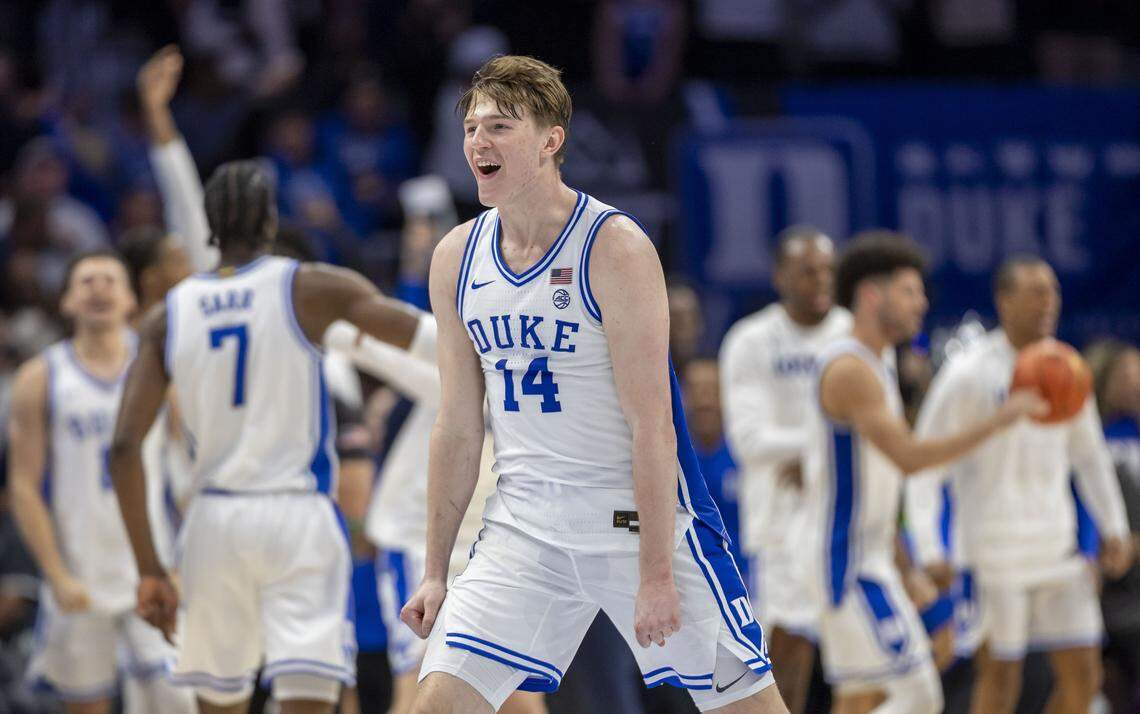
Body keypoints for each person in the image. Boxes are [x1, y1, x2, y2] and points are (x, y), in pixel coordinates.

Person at [398, 55, 786, 714]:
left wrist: (656, 573)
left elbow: (651, 424)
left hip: (634, 524)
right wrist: (436, 571)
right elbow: (458, 426)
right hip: (525, 531)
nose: (479, 142)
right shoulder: (455, 257)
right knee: (435, 706)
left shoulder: (614, 247)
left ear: (551, 140)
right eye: (471, 128)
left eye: (500, 127)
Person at [107, 160, 434, 714]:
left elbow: (122, 449)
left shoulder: (167, 316)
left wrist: (149, 570)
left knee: (220, 701)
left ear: (209, 228)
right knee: (311, 698)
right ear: (270, 221)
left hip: (213, 519)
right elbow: (428, 339)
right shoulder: (309, 286)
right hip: (298, 515)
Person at [804, 234, 1046, 714]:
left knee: (862, 698)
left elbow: (878, 487)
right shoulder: (850, 369)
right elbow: (909, 459)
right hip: (846, 565)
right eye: (910, 291)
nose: (922, 304)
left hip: (868, 556)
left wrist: (905, 564)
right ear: (871, 294)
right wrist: (998, 420)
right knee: (918, 695)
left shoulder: (877, 362)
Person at [903, 256, 1133, 714]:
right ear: (1004, 301)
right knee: (1000, 681)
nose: (1049, 302)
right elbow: (925, 464)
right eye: (1036, 293)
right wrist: (929, 548)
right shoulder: (968, 373)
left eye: (1053, 292)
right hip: (992, 557)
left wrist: (1115, 527)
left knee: (1085, 677)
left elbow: (1090, 459)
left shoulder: (1068, 369)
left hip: (1057, 551)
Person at [8, 251, 196, 714]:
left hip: (153, 569)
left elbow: (191, 474)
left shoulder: (163, 370)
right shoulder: (41, 377)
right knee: (85, 705)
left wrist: (184, 563)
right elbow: (23, 486)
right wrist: (55, 573)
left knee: (177, 701)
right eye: (86, 281)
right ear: (67, 300)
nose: (98, 289)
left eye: (110, 280)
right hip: (80, 572)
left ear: (130, 298)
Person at [718, 225, 850, 713]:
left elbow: (876, 428)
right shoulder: (750, 340)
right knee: (785, 656)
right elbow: (751, 441)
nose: (821, 280)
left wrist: (811, 459)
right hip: (780, 525)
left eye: (828, 270)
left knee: (858, 665)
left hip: (844, 518)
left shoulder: (852, 334)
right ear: (780, 277)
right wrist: (826, 449)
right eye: (808, 271)